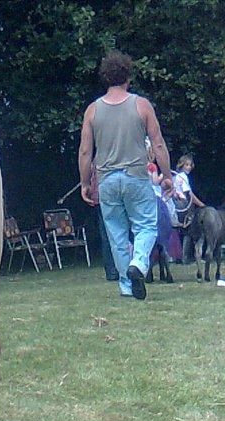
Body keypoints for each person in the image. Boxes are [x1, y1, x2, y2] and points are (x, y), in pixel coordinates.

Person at [79, 50, 172, 300]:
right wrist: (168, 176)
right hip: (136, 176)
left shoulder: (92, 111)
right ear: (127, 77)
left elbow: (86, 150)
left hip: (107, 180)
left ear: (105, 77)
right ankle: (139, 264)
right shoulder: (141, 105)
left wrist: (85, 182)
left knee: (116, 233)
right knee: (146, 226)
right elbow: (158, 144)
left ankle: (125, 285)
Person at [171, 154, 204, 263]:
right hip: (184, 204)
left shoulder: (175, 177)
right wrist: (201, 204)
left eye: (190, 165)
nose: (189, 167)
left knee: (179, 230)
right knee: (189, 231)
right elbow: (189, 194)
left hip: (175, 204)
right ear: (182, 165)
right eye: (187, 165)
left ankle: (177, 256)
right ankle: (186, 257)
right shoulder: (183, 177)